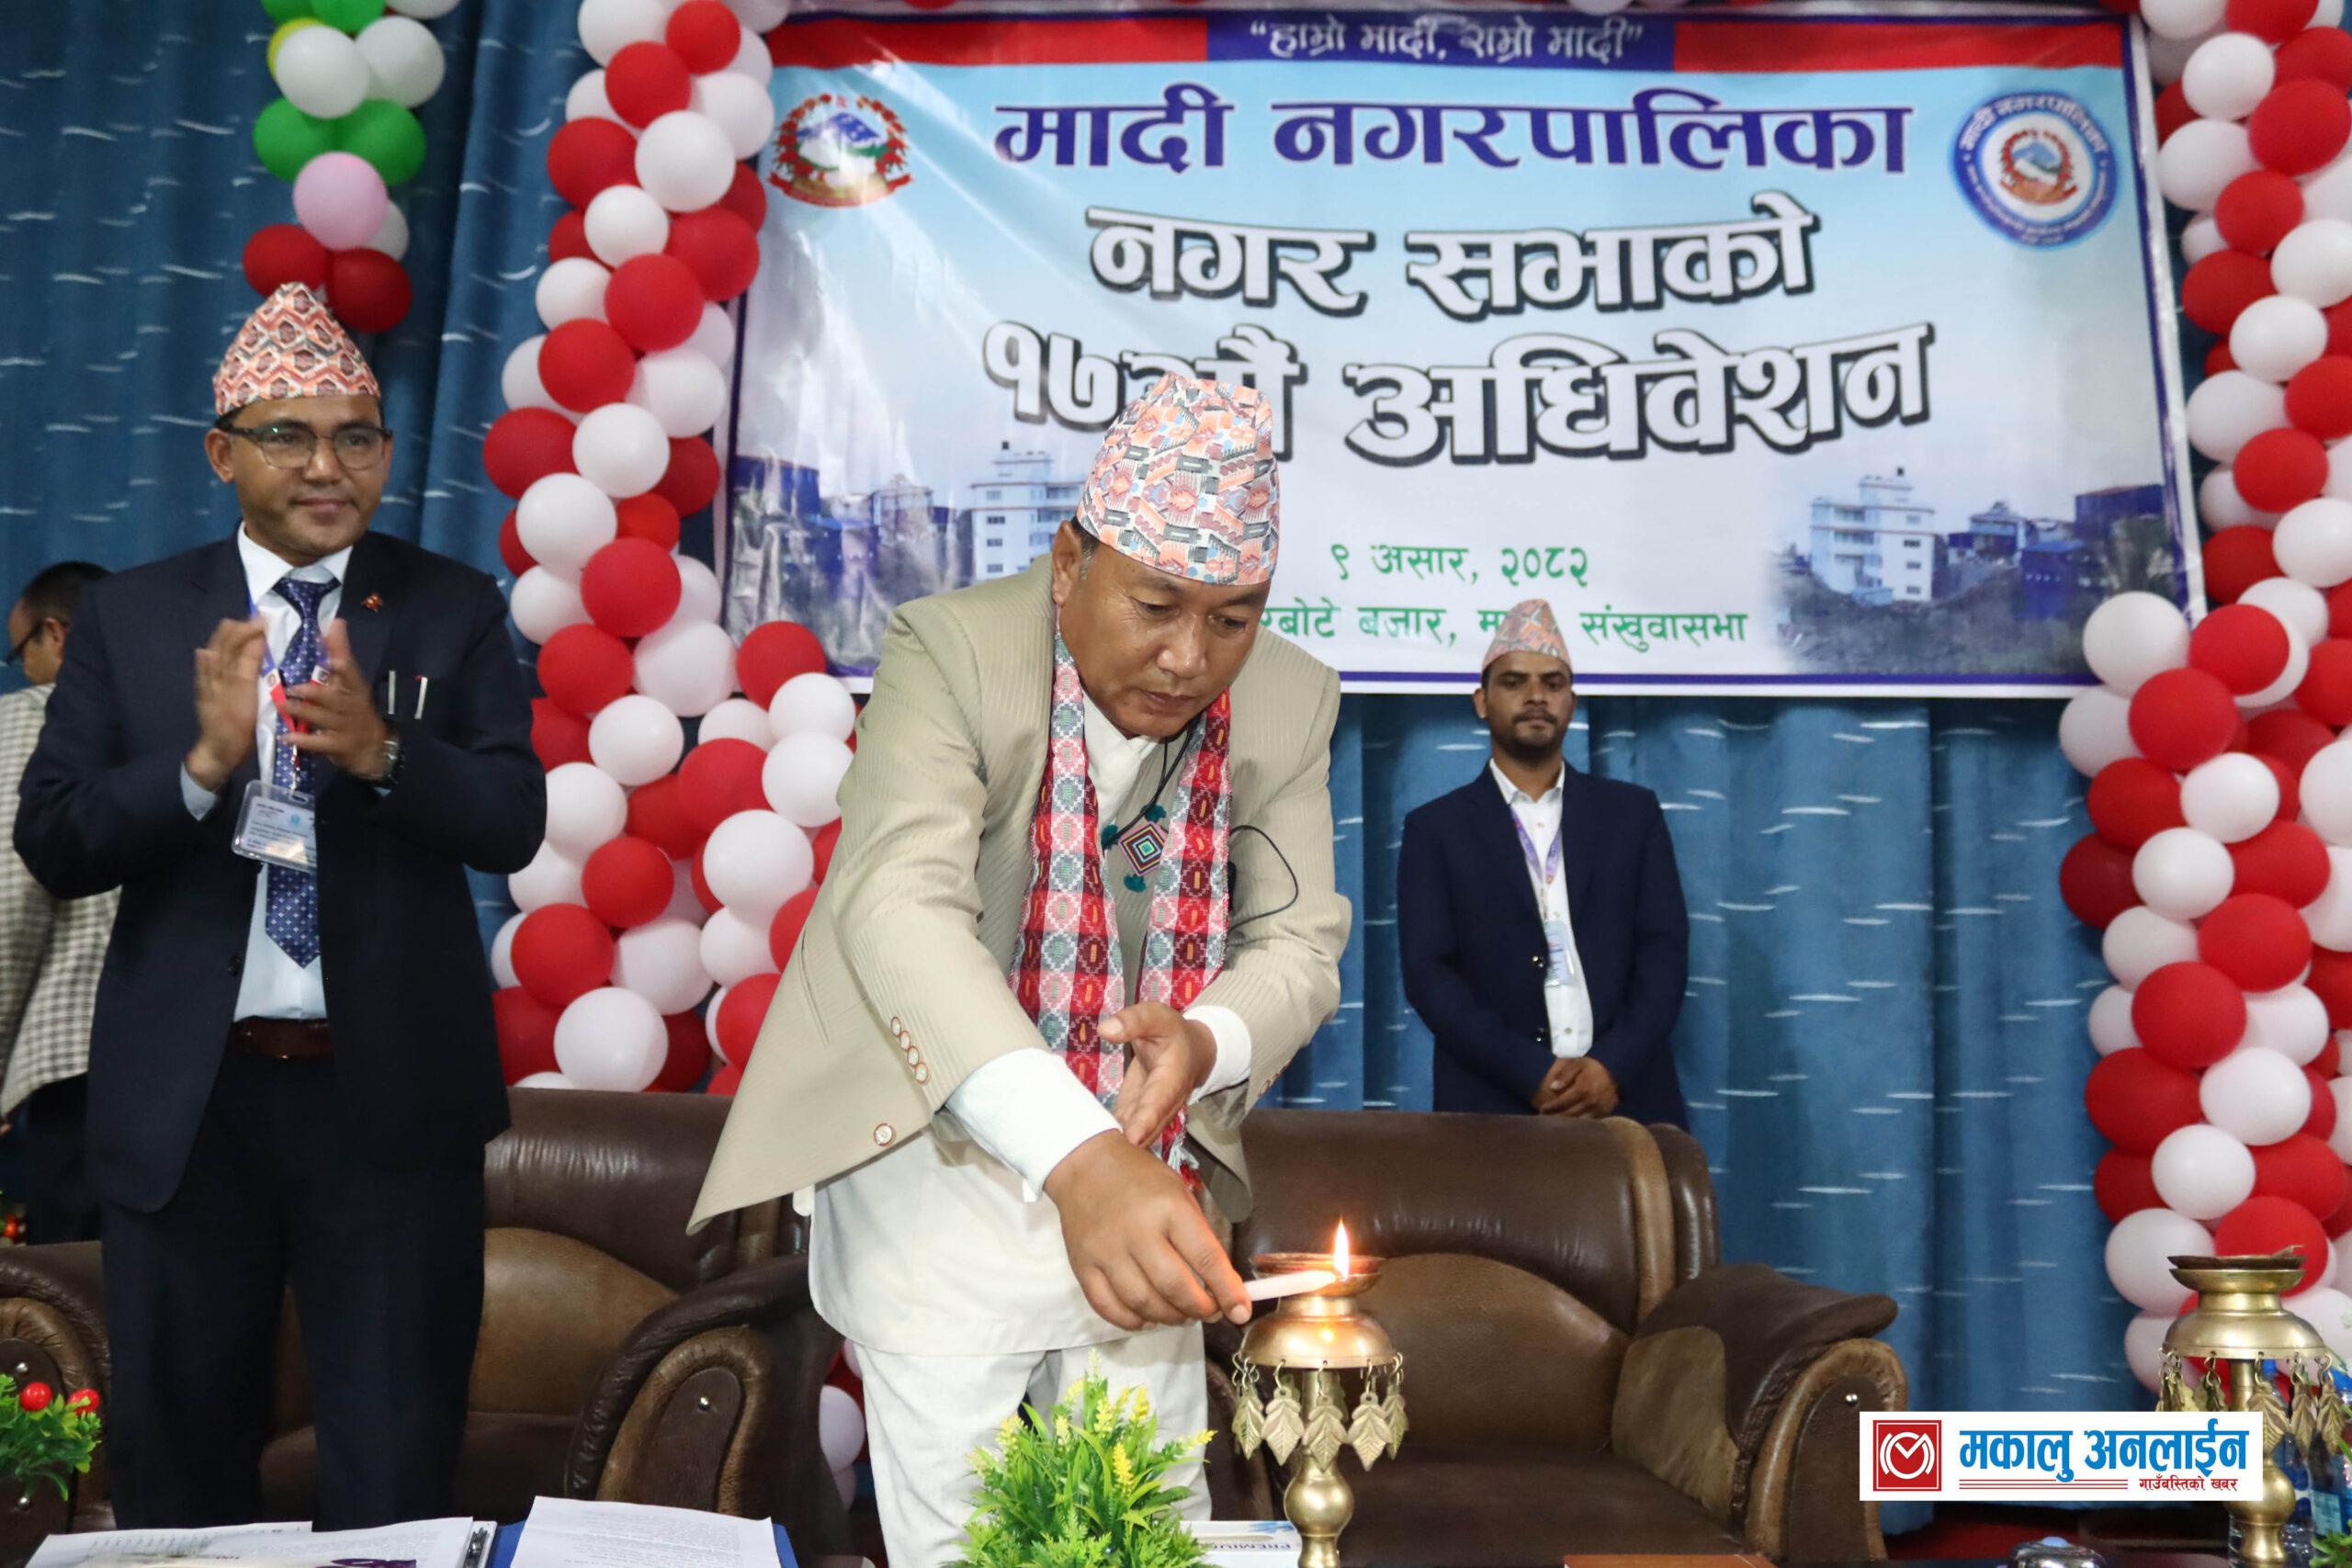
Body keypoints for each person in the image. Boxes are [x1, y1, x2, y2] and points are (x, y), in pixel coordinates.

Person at [694, 376, 1350, 1568]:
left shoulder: (1289, 696)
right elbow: (897, 907)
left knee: (1145, 1524)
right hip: (938, 1142)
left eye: (1233, 618)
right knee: (967, 1536)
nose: (1189, 658)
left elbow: (1299, 943)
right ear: (1068, 563)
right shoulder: (950, 648)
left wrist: (1205, 1041)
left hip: (1145, 1164)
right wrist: (1077, 1155)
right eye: (1156, 606)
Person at [14, 285, 544, 1529]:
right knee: (179, 1472)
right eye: (288, 436)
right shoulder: (135, 616)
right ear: (223, 453)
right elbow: (55, 838)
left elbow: (511, 819)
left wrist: (386, 754)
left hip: (388, 1102)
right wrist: (200, 768)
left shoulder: (450, 605)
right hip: (189, 1107)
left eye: (356, 437)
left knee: (395, 1473)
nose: (325, 466)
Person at [1398, 598, 1690, 1126]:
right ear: (1482, 701)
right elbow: (1429, 977)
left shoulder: (1632, 814)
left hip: (1628, 1100)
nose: (1536, 696)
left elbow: (1664, 954)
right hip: (1493, 1105)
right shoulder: (1436, 829)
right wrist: (1531, 1074)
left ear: (1571, 703)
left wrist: (1611, 1068)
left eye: (1553, 684)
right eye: (1515, 683)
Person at [2, 561, 116, 1244]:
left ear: (57, 634)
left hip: (82, 1059)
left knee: (78, 1286)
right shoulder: (195, 715)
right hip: (219, 1055)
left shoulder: (33, 716)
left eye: (20, 653)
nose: (22, 672)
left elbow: (11, 898)